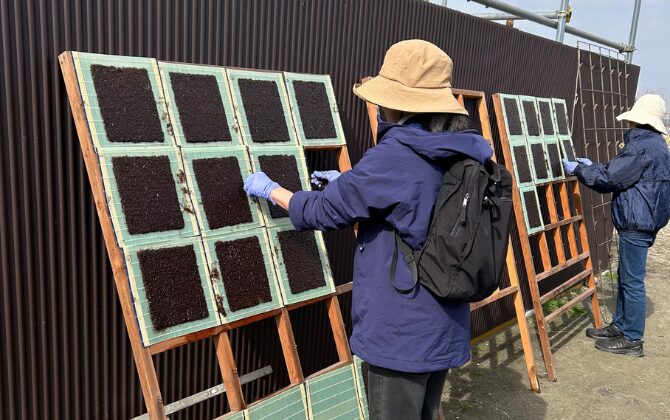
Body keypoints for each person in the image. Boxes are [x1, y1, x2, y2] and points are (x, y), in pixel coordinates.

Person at [244, 40, 493, 419]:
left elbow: (323, 211)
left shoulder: (396, 155)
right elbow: (416, 202)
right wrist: (353, 183)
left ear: (398, 102)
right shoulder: (460, 149)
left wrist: (272, 190)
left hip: (400, 330)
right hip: (443, 320)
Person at [563, 94, 670, 357]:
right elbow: (622, 173)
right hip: (644, 219)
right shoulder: (656, 145)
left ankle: (632, 339)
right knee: (626, 277)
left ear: (636, 120)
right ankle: (620, 326)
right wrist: (594, 166)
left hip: (637, 221)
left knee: (631, 281)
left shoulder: (641, 146)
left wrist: (580, 170)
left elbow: (611, 178)